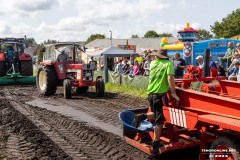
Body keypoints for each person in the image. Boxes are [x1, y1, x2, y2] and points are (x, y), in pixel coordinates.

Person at [134, 48, 180, 155]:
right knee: (159, 120)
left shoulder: (153, 63)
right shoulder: (168, 63)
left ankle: (142, 116)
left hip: (150, 93)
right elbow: (170, 78)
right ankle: (156, 143)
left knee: (155, 114)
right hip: (159, 95)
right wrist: (173, 93)